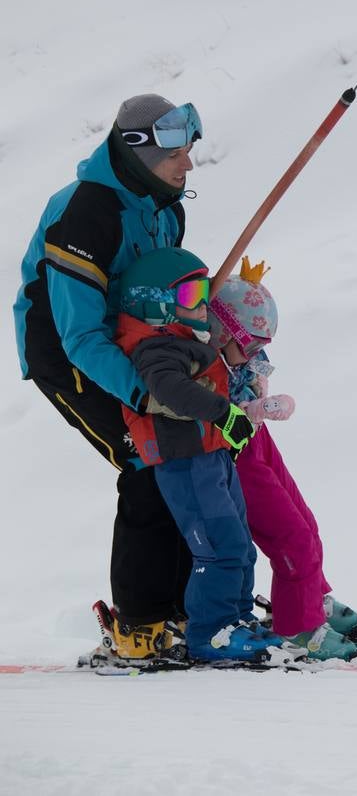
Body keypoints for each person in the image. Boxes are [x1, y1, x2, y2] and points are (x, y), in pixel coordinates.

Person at [13, 94, 205, 658]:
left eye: (190, 151)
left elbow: (162, 296)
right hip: (66, 354)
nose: (188, 165)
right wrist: (146, 395)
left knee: (185, 455)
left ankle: (185, 607)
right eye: (178, 153)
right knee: (145, 460)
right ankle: (139, 623)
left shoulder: (166, 206)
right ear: (140, 149)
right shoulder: (86, 213)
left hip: (132, 346)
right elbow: (79, 336)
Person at [112, 246, 293, 664]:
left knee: (241, 546)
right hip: (185, 462)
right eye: (192, 296)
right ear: (155, 301)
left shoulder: (185, 340)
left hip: (210, 456)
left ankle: (237, 621)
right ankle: (210, 633)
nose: (203, 306)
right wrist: (223, 412)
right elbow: (169, 390)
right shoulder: (156, 348)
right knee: (220, 545)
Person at [208, 259, 357, 661]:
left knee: (306, 523)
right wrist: (248, 409)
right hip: (230, 455)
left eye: (262, 345)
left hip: (256, 442)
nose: (256, 352)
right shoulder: (203, 364)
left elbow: (251, 387)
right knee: (291, 537)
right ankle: (298, 627)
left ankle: (311, 601)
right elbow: (208, 409)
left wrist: (266, 402)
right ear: (220, 331)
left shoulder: (237, 359)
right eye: (250, 343)